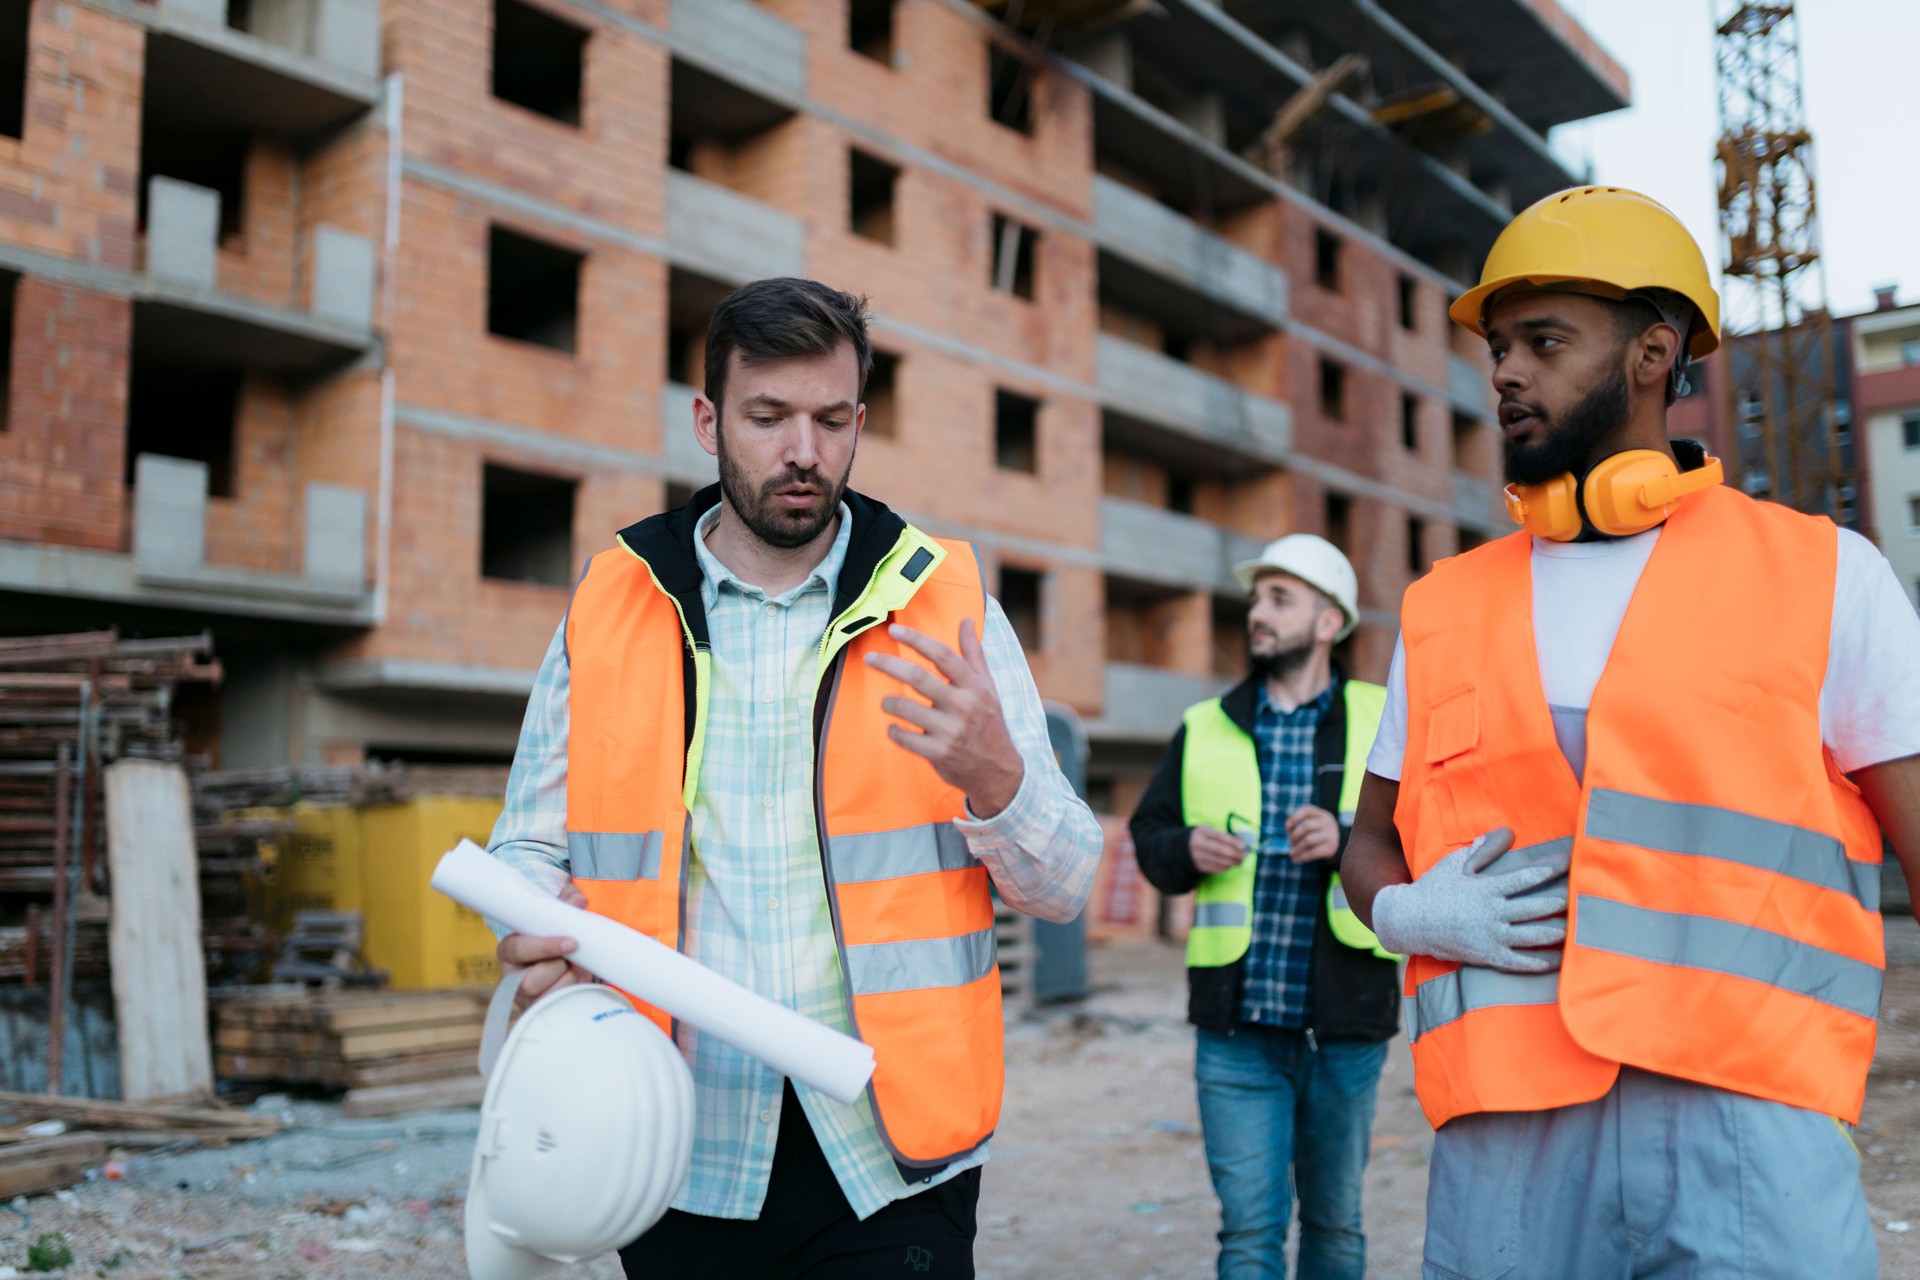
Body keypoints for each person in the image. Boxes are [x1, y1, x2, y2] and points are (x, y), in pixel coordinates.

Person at [1339, 185, 1920, 1279]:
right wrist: (1404, 907)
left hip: (1753, 1122)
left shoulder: (1826, 576)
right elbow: (1371, 843)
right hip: (1507, 1137)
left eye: (1544, 340)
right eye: (1501, 345)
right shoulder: (1444, 605)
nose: (1506, 370)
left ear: (1655, 353)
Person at [484, 276, 1102, 1279]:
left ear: (860, 421)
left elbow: (1066, 885)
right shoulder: (612, 607)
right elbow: (527, 842)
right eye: (767, 417)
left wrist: (998, 777)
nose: (802, 451)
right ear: (707, 418)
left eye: (828, 419)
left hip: (891, 1158)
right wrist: (527, 914)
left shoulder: (944, 601)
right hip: (677, 1145)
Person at [1129, 534, 1398, 1280]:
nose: (1258, 612)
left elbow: (1435, 840)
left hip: (1346, 1027)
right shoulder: (1204, 727)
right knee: (1248, 1235)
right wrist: (1187, 847)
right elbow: (1148, 838)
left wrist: (1347, 840)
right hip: (1236, 1030)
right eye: (1257, 597)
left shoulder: (1384, 719)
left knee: (1335, 1228)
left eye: (1279, 598)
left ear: (1327, 621)